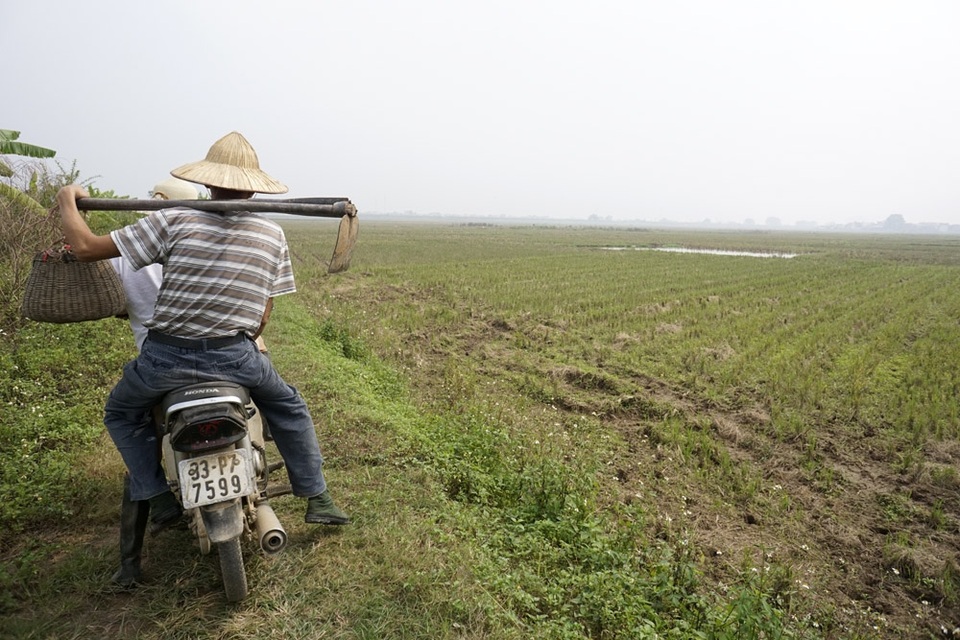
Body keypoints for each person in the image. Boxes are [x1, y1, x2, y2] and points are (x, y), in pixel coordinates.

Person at [57, 131, 349, 536]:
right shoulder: (272, 235)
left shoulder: (172, 219)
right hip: (237, 357)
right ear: (252, 190)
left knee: (122, 413)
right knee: (289, 407)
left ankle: (155, 495)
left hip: (163, 358)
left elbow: (86, 248)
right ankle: (318, 496)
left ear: (207, 182)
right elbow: (264, 313)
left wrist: (66, 201)